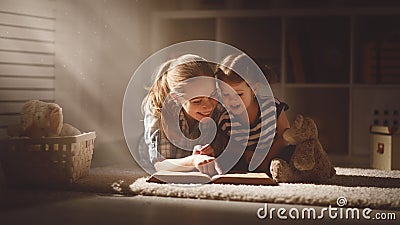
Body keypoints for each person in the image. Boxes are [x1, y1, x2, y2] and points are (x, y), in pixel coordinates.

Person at [142, 54, 223, 176]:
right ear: (176, 98)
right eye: (197, 101)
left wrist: (206, 153)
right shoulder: (158, 112)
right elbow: (160, 165)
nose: (209, 106)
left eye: (213, 95)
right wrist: (193, 160)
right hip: (156, 160)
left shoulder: (219, 107)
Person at [213, 53, 293, 174]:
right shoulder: (225, 119)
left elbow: (285, 137)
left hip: (273, 155)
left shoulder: (272, 107)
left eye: (239, 94)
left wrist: (264, 158)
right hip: (247, 160)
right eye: (225, 94)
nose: (232, 100)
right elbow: (230, 147)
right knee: (225, 160)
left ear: (254, 89)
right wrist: (246, 154)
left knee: (292, 152)